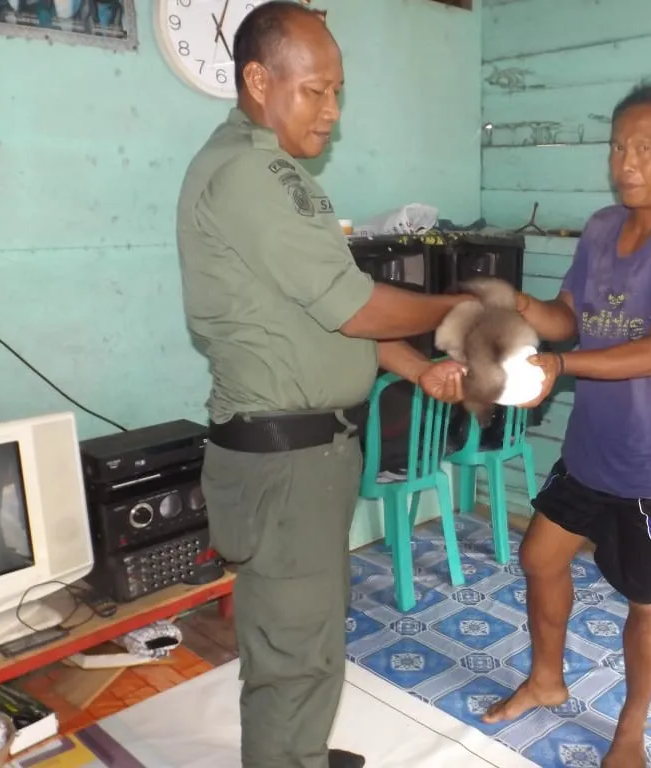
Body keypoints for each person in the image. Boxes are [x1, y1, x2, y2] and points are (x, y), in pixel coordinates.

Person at [174, 4, 470, 768]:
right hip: (287, 461)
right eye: (315, 91)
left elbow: (326, 319)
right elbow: (357, 307)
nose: (332, 110)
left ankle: (296, 753)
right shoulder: (251, 175)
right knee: (295, 652)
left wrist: (416, 366)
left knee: (301, 635)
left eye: (338, 91)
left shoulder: (271, 173)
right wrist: (459, 306)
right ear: (258, 79)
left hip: (303, 457)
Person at [482, 83, 651, 767]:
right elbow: (570, 317)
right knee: (540, 558)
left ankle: (630, 728)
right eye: (619, 146)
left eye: (645, 149)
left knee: (645, 600)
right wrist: (523, 307)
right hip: (592, 449)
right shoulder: (600, 229)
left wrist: (560, 365)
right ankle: (546, 679)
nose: (626, 163)